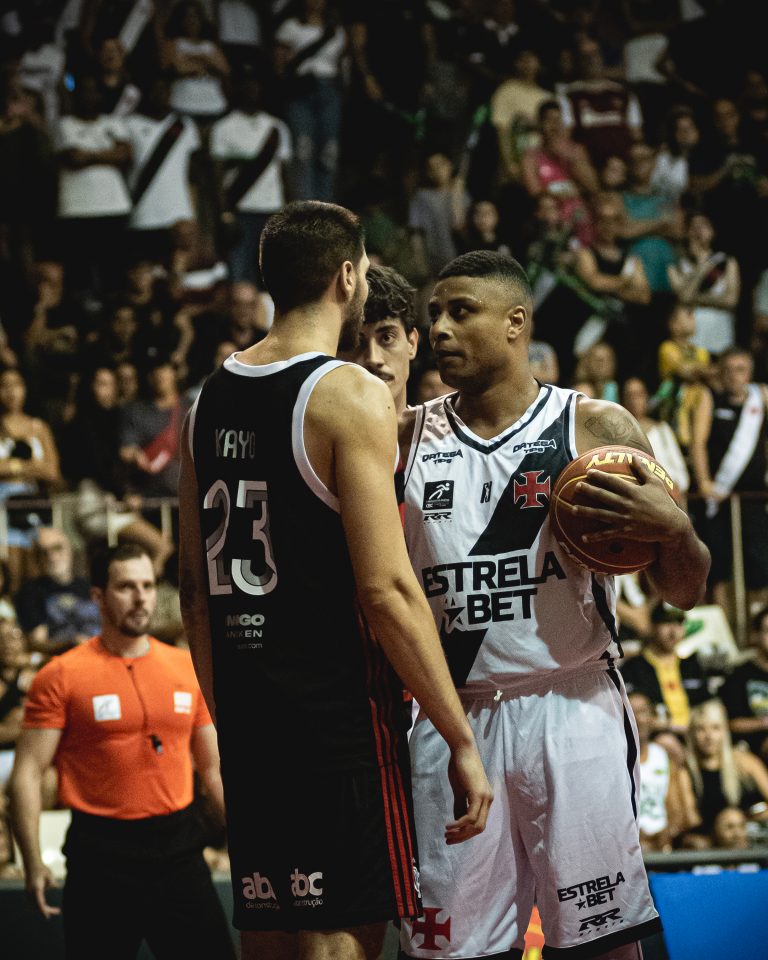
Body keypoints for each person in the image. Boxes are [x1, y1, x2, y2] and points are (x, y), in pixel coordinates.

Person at [177, 201, 492, 960]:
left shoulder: (206, 399)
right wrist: (459, 736)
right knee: (339, 936)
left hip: (250, 719)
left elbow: (192, 592)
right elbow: (386, 591)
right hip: (338, 723)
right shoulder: (346, 393)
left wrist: (232, 716)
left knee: (271, 937)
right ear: (348, 278)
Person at [398, 250, 710, 959]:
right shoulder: (404, 435)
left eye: (460, 312)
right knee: (450, 951)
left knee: (604, 945)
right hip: (455, 717)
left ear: (517, 323)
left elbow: (684, 589)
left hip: (572, 708)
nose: (439, 329)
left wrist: (677, 531)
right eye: (434, 314)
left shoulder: (595, 428)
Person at [8, 544, 235, 959]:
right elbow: (26, 772)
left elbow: (214, 769)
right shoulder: (61, 675)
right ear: (98, 596)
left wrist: (247, 840)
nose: (141, 597)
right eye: (127, 587)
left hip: (179, 850)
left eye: (147, 585)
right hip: (100, 856)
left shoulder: (186, 668)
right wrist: (32, 861)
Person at [689, 348, 768, 620]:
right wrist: (704, 482)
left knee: (759, 567)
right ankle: (725, 629)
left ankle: (758, 627)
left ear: (750, 372)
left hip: (753, 498)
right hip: (720, 498)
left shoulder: (760, 398)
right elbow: (698, 442)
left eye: (741, 369)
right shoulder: (710, 398)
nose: (735, 376)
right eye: (729, 370)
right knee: (719, 568)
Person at [620, 602, 711, 750]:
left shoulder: (692, 665)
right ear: (652, 627)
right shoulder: (634, 667)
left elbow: (708, 703)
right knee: (668, 742)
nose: (673, 631)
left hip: (696, 736)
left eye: (678, 623)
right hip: (656, 739)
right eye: (666, 623)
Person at [682, 699, 768, 849]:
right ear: (692, 734)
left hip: (750, 834)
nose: (709, 736)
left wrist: (753, 818)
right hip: (713, 843)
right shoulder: (685, 772)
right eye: (701, 729)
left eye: (715, 728)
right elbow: (691, 821)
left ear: (724, 732)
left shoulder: (745, 761)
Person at [337, 264, 419, 417]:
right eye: (356, 341)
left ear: (412, 343)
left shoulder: (448, 432)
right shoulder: (308, 432)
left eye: (387, 338)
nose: (373, 359)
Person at [629, 691, 700, 853]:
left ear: (653, 718)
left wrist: (665, 835)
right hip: (629, 843)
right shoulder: (615, 760)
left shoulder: (663, 757)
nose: (639, 719)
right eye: (631, 712)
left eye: (643, 712)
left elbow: (676, 810)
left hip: (664, 839)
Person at [719, 605, 768, 762]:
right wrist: (762, 723)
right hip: (752, 745)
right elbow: (731, 723)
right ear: (756, 635)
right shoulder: (739, 675)